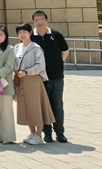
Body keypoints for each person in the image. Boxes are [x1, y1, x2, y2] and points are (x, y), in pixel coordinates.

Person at [31, 10, 69, 143]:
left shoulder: (56, 35)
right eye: (36, 20)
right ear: (33, 22)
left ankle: (60, 132)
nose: (39, 22)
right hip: (39, 78)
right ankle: (47, 133)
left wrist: (57, 64)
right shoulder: (31, 37)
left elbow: (65, 52)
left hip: (57, 77)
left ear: (47, 20)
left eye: (42, 19)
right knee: (44, 106)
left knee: (57, 105)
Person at [14, 22, 55, 145]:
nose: (22, 34)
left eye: (24, 32)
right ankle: (32, 133)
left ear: (30, 33)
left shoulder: (36, 48)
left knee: (36, 107)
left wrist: (27, 72)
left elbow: (40, 66)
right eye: (20, 32)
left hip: (33, 80)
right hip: (21, 81)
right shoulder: (17, 47)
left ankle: (39, 134)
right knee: (26, 107)